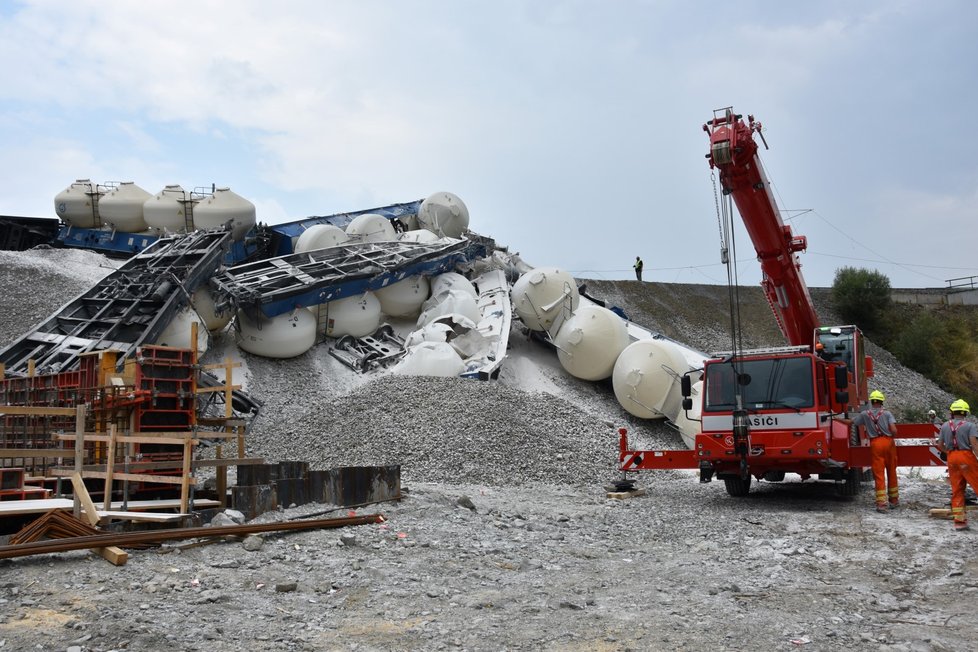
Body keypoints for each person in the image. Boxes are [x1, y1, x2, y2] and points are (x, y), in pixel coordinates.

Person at [936, 399, 978, 531]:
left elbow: (939, 445)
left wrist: (948, 452)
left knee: (957, 489)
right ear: (965, 412)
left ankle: (959, 522)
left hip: (952, 457)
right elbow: (974, 444)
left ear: (952, 412)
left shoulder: (944, 426)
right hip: (966, 456)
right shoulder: (970, 426)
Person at [854, 390, 899, 512]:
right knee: (891, 471)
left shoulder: (864, 414)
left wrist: (837, 419)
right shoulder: (887, 414)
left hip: (875, 444)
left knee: (879, 474)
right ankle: (894, 500)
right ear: (881, 401)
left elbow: (853, 423)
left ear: (871, 401)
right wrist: (891, 437)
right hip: (888, 442)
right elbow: (894, 430)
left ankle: (881, 504)